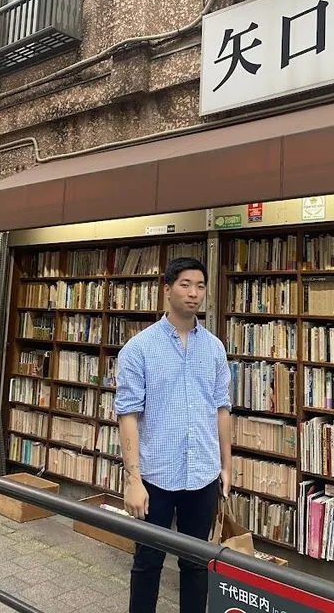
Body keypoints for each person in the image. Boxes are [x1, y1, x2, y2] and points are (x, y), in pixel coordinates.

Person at [116, 256, 232, 613]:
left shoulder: (214, 348)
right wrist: (133, 479)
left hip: (203, 475)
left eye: (200, 286)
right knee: (147, 562)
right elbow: (128, 415)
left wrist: (226, 468)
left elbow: (221, 409)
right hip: (156, 476)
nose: (193, 293)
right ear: (167, 289)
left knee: (196, 564)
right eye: (185, 284)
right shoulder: (139, 348)